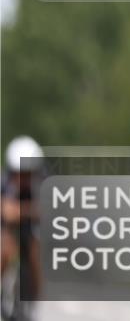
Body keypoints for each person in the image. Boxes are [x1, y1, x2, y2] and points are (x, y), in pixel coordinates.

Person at [1, 136, 44, 317]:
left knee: (36, 255)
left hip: (31, 228)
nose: (22, 178)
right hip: (8, 227)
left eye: (27, 173)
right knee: (4, 249)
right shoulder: (4, 182)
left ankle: (33, 297)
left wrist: (21, 211)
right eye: (18, 172)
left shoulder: (43, 182)